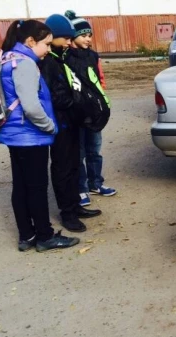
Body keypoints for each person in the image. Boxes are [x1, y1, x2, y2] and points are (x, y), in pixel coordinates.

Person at [0, 20, 80, 252]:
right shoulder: (24, 64)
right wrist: (49, 126)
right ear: (30, 41)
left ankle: (27, 235)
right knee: (36, 187)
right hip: (30, 136)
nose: (48, 49)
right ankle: (45, 236)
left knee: (21, 186)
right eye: (45, 44)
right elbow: (31, 106)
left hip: (15, 135)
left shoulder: (7, 59)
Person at [40, 14, 102, 232]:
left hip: (71, 122)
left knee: (75, 164)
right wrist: (77, 104)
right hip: (60, 124)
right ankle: (67, 212)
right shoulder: (48, 61)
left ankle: (75, 205)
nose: (68, 41)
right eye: (64, 38)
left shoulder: (61, 56)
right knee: (63, 168)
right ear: (52, 37)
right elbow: (54, 95)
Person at [64, 10, 116, 207]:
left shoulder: (93, 56)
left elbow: (100, 80)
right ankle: (81, 188)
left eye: (89, 35)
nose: (88, 39)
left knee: (95, 149)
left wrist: (101, 102)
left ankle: (96, 183)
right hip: (77, 113)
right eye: (83, 35)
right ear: (73, 36)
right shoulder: (66, 57)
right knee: (79, 153)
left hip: (94, 112)